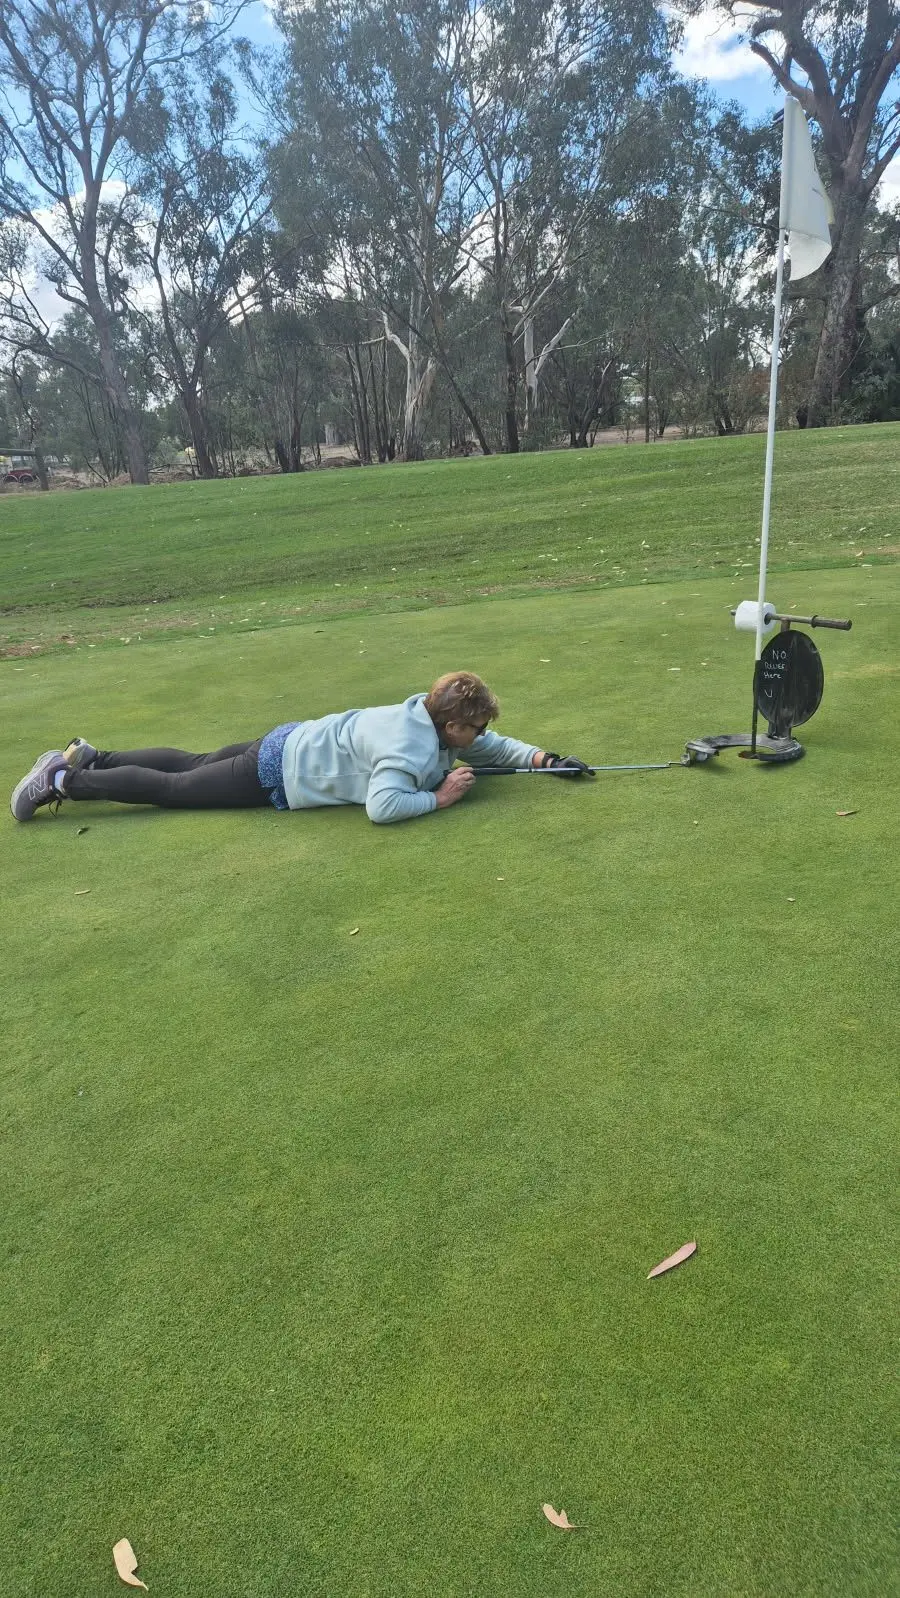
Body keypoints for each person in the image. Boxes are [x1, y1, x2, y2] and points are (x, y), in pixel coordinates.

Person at [10, 671, 594, 825]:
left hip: (287, 738)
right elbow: (383, 806)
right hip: (280, 772)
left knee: (190, 760)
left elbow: (491, 747)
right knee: (176, 789)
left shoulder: (427, 712)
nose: (479, 736)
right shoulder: (408, 749)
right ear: (448, 725)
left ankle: (91, 755)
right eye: (473, 728)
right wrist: (439, 798)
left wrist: (543, 759)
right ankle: (61, 780)